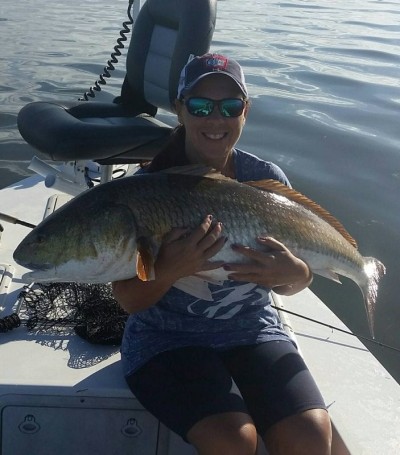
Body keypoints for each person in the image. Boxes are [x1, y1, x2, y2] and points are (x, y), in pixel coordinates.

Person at [112, 53, 332, 455]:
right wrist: (169, 271)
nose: (216, 119)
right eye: (200, 106)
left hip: (252, 330)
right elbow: (129, 300)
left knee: (312, 437)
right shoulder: (146, 188)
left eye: (230, 107)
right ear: (180, 110)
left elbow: (293, 283)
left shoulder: (264, 181)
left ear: (245, 111)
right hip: (167, 339)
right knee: (233, 440)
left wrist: (298, 273)